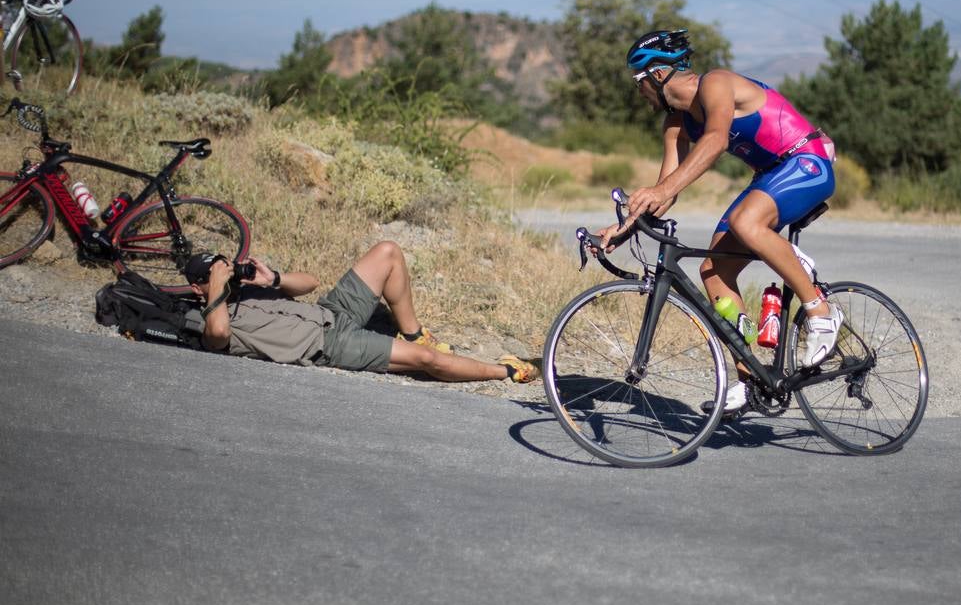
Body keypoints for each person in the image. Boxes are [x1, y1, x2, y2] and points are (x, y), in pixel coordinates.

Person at [598, 29, 840, 411]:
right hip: (770, 177)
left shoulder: (716, 84)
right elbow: (667, 190)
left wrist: (661, 191)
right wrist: (621, 230)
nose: (638, 92)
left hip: (806, 160)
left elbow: (715, 141)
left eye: (638, 82)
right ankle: (749, 378)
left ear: (658, 75)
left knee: (746, 224)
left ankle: (820, 312)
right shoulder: (676, 123)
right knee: (713, 270)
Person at [183, 241, 537, 384]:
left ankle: (413, 332)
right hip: (330, 344)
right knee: (429, 360)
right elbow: (218, 338)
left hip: (329, 312)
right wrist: (214, 289)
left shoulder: (244, 289)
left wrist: (273, 278)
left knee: (388, 252)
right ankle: (505, 371)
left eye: (223, 266)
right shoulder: (205, 317)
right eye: (215, 274)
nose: (225, 274)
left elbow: (310, 283)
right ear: (198, 286)